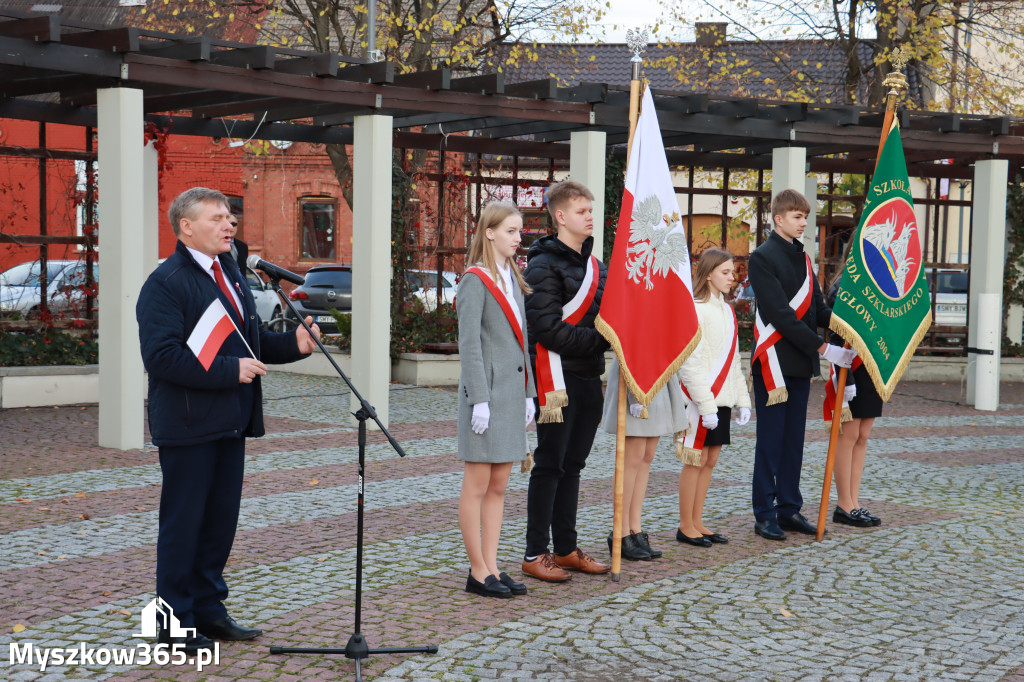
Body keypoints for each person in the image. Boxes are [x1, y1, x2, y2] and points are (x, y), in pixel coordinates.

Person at [137, 187, 320, 652]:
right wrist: (228, 371)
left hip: (230, 418)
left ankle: (209, 612)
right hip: (188, 423)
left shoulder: (231, 272)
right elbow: (161, 357)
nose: (229, 225)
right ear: (186, 227)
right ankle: (174, 625)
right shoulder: (167, 281)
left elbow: (249, 340)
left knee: (219, 523)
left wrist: (292, 346)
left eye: (230, 217)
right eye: (217, 218)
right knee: (184, 525)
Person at [747, 189, 856, 541]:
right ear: (779, 219)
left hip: (799, 362)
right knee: (771, 442)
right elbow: (780, 315)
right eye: (797, 216)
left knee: (794, 441)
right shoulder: (762, 257)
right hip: (774, 362)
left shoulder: (803, 258)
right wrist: (825, 348)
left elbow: (816, 310)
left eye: (805, 216)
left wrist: (847, 324)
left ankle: (789, 508)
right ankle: (765, 512)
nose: (804, 222)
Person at [521, 179, 611, 582]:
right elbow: (546, 329)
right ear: (560, 217)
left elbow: (609, 315)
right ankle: (535, 552)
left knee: (573, 465)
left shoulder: (595, 265)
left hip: (589, 377)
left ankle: (566, 547)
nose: (590, 217)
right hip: (556, 381)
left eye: (591, 210)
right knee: (550, 465)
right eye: (581, 211)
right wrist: (603, 340)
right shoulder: (541, 265)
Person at [457, 202, 536, 598]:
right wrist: (479, 400)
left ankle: (492, 565)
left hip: (511, 394)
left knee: (501, 484)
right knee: (477, 483)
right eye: (511, 231)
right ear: (489, 232)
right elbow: (469, 345)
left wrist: (529, 394)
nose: (518, 238)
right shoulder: (476, 279)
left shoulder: (512, 277)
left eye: (519, 231)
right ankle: (476, 571)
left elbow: (524, 344)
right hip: (485, 397)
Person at [677, 248, 752, 547]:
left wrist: (743, 400)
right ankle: (685, 525)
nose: (732, 278)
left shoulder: (727, 310)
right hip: (699, 401)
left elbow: (734, 360)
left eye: (732, 272)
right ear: (708, 274)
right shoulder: (694, 309)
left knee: (710, 458)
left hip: (720, 398)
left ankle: (698, 520)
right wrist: (705, 406)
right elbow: (690, 363)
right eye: (725, 272)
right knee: (694, 460)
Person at [600, 358, 687, 560]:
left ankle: (634, 529)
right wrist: (635, 393)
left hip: (658, 373)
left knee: (646, 456)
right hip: (636, 372)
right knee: (632, 459)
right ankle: (620, 532)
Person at [824, 239, 883, 528]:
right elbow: (838, 334)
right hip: (850, 365)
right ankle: (843, 504)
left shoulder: (883, 287)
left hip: (873, 366)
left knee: (863, 436)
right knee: (847, 436)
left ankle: (855, 502)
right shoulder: (844, 286)